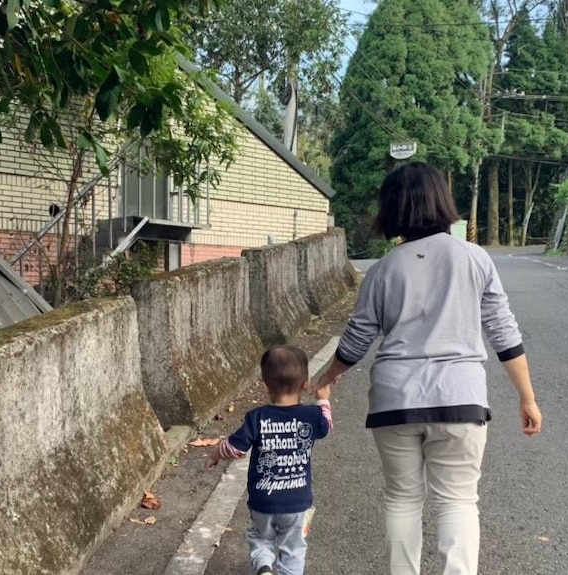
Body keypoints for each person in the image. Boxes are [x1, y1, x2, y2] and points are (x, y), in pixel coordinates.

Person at [315, 162, 543, 575]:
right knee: (457, 500)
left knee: (402, 498)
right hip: (461, 400)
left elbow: (357, 340)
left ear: (392, 209)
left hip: (394, 402)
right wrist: (526, 397)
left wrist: (326, 378)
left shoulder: (382, 271)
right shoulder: (475, 258)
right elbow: (504, 333)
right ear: (442, 201)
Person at [206, 345, 334, 575]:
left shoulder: (257, 417)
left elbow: (235, 449)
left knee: (261, 537)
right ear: (306, 383)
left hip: (262, 500)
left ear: (266, 385)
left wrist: (216, 454)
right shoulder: (311, 416)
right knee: (293, 548)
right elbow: (326, 426)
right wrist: (323, 400)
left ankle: (264, 568)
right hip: (298, 501)